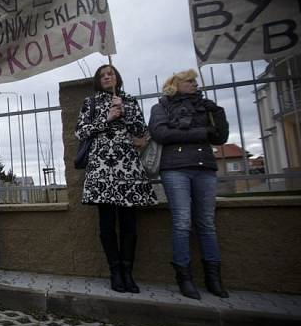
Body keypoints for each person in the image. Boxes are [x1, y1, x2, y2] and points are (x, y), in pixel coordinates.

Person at [148, 69, 229, 300]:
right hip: (175, 168)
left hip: (204, 167)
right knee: (182, 221)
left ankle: (213, 277)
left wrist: (218, 113)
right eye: (189, 81)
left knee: (206, 222)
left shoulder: (205, 106)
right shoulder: (161, 107)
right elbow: (160, 133)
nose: (194, 84)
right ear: (175, 84)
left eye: (195, 81)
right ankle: (184, 277)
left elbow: (219, 137)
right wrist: (200, 132)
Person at [75, 64, 157, 293]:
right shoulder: (90, 103)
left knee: (129, 222)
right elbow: (80, 132)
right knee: (107, 222)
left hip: (128, 168)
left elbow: (141, 130)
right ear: (98, 80)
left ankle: (128, 273)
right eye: (102, 75)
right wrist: (108, 117)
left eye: (110, 73)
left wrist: (125, 111)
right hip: (101, 168)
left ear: (117, 77)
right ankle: (115, 272)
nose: (106, 77)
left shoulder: (129, 100)